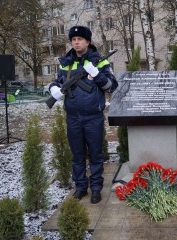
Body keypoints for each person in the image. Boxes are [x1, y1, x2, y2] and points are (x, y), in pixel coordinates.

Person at [49, 26, 118, 204]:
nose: (76, 42)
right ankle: (80, 187)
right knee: (77, 155)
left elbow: (112, 86)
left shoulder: (99, 62)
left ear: (87, 42)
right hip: (73, 118)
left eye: (80, 39)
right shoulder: (66, 63)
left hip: (93, 117)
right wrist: (54, 89)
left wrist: (97, 75)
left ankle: (96, 188)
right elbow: (57, 82)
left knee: (95, 154)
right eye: (73, 39)